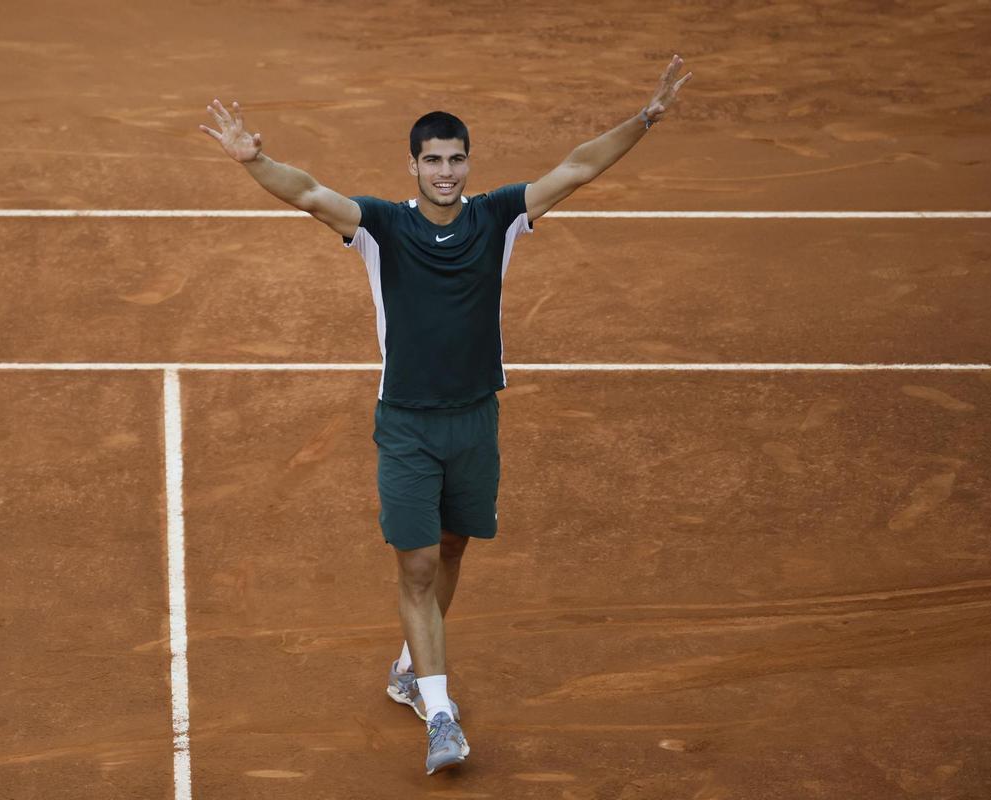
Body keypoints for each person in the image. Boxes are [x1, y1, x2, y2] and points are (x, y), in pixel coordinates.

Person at [200, 54, 693, 776]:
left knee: (456, 548)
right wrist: (257, 160)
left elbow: (578, 168)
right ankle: (439, 714)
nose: (446, 172)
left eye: (457, 159)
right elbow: (307, 193)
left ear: (468, 163)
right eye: (433, 160)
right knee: (420, 566)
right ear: (413, 166)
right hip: (405, 424)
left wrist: (644, 121)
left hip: (474, 421)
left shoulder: (498, 218)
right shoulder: (378, 226)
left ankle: (409, 667)